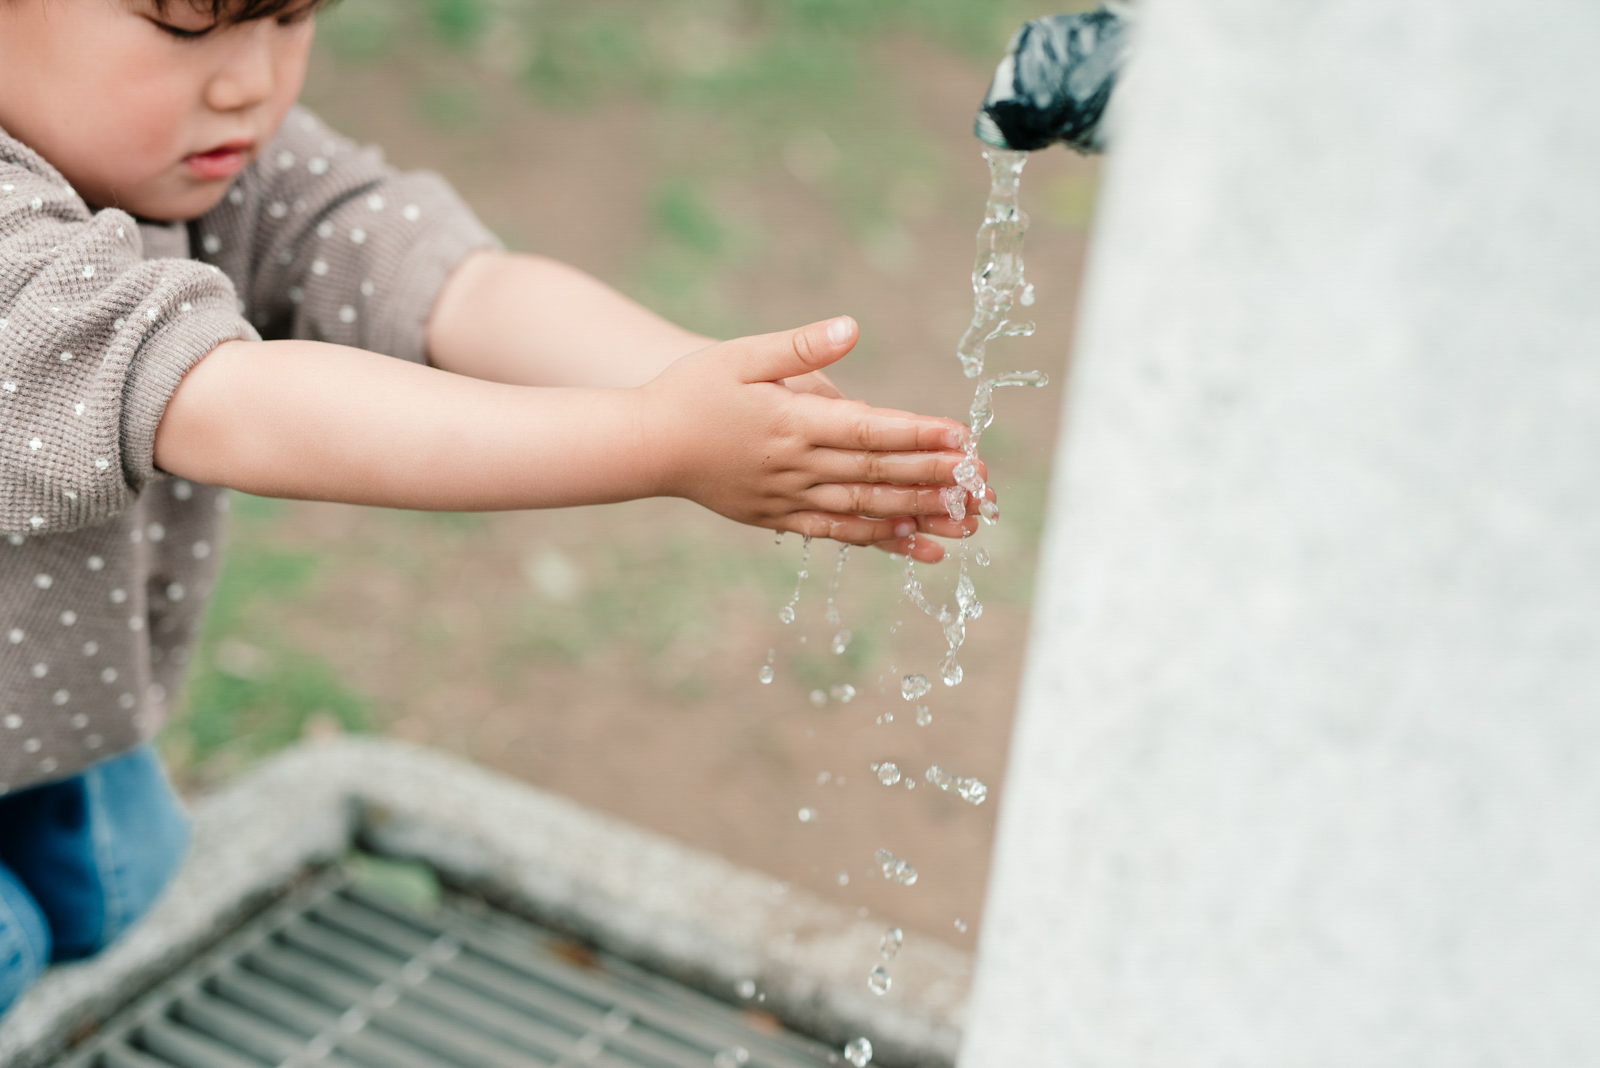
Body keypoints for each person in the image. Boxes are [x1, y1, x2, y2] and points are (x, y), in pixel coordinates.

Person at [0, 0, 985, 1016]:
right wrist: (654, 440)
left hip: (55, 713)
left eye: (291, 17)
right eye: (182, 26)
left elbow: (453, 287)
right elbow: (228, 404)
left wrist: (714, 390)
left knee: (117, 884)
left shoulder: (210, 154)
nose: (249, 82)